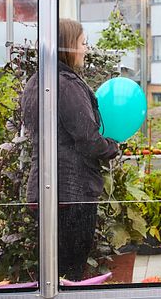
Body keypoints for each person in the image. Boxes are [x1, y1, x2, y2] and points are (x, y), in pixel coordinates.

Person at [22, 19, 120, 281]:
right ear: (68, 46)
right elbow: (88, 139)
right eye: (82, 43)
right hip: (72, 193)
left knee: (52, 272)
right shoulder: (66, 84)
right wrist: (112, 146)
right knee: (71, 273)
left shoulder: (35, 82)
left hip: (43, 188)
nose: (85, 49)